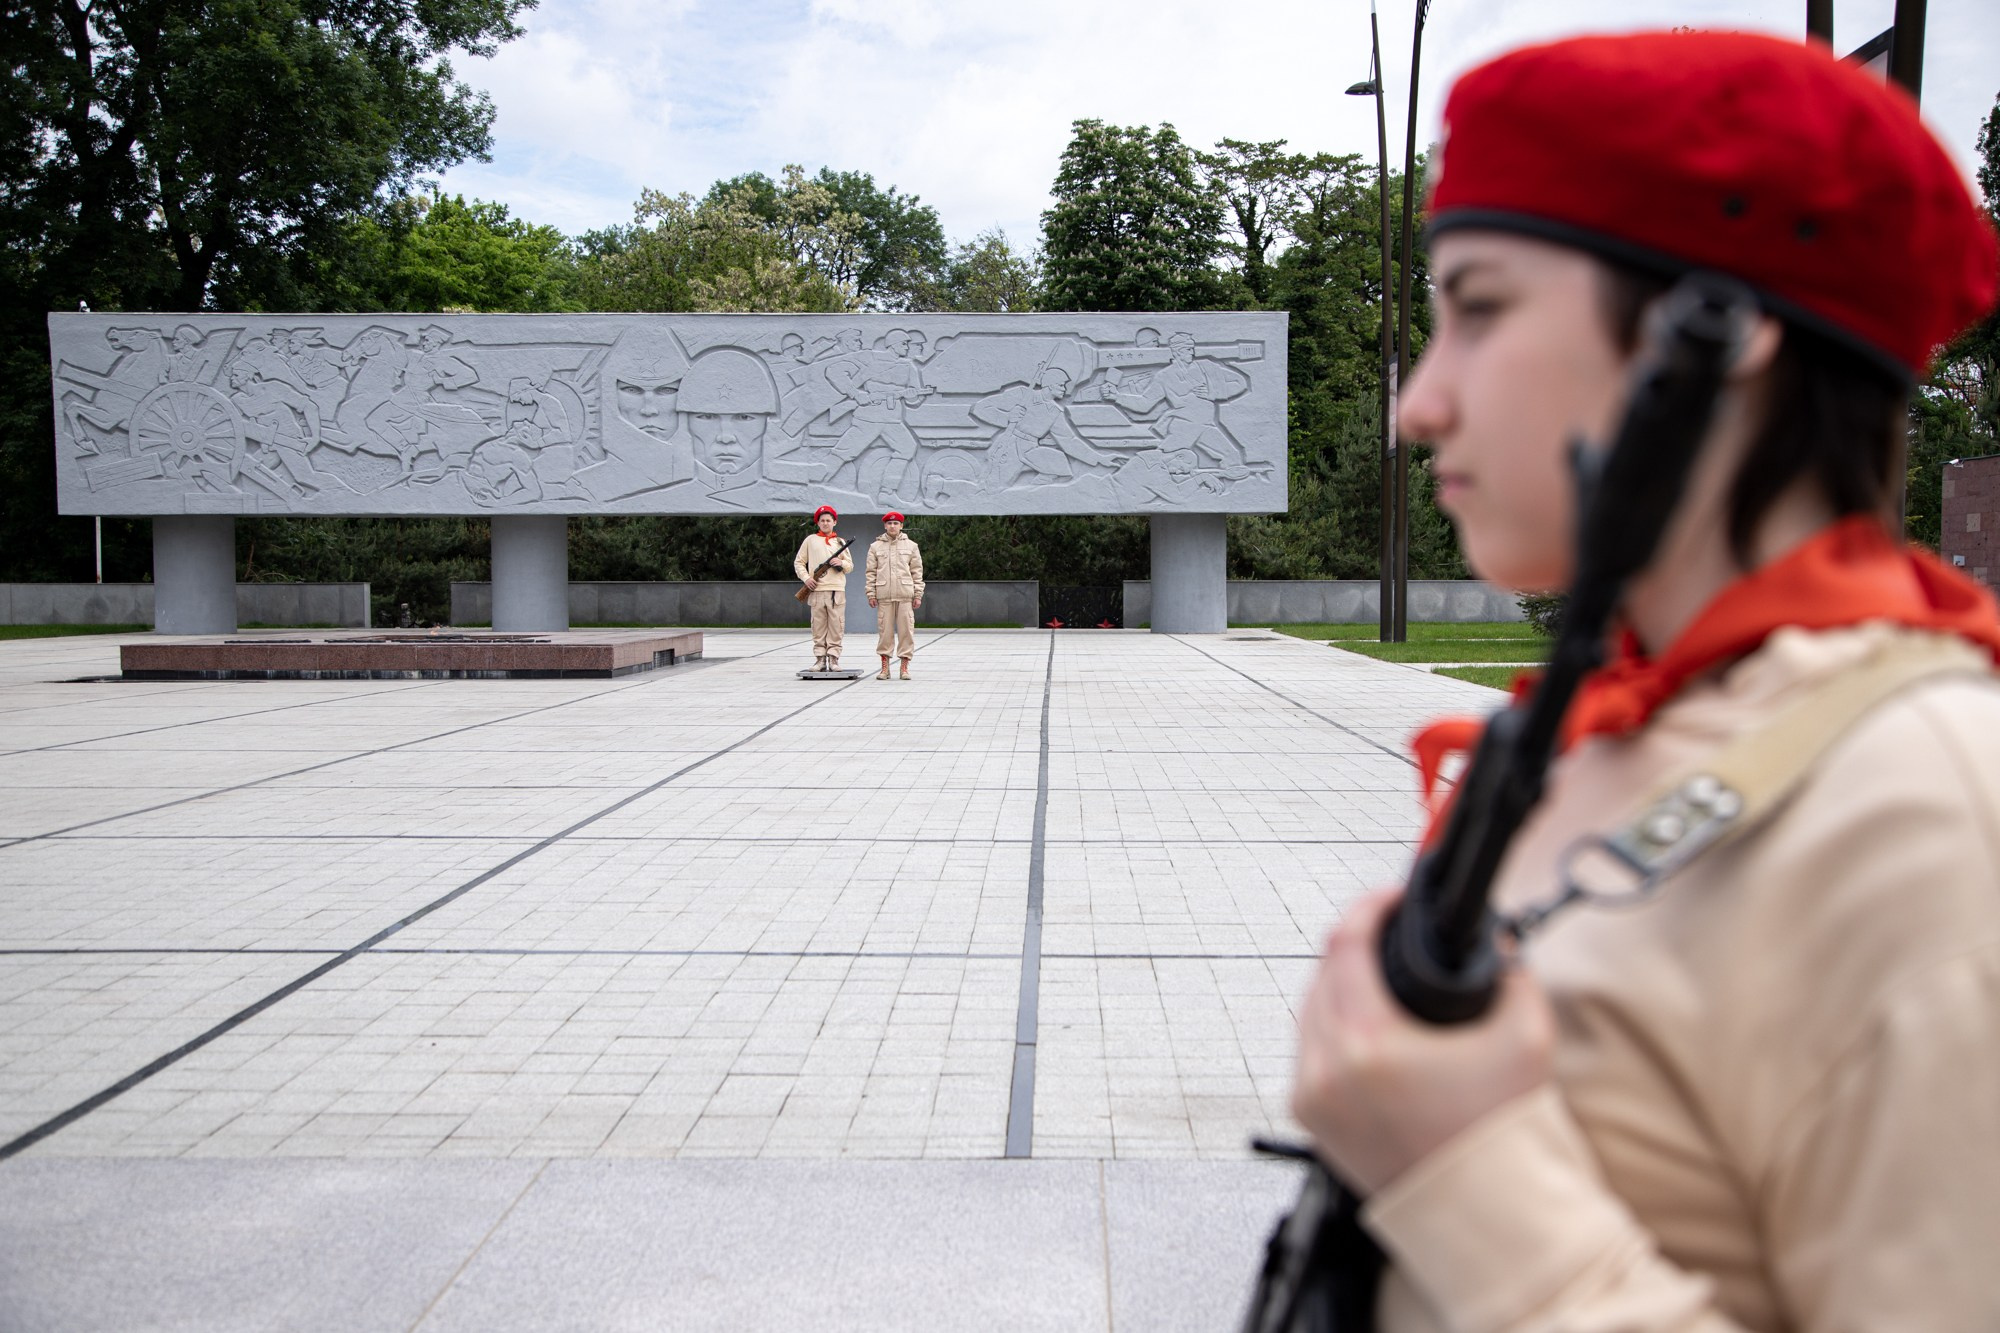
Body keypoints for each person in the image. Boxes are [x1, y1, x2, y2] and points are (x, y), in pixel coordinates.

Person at [1285, 30, 2000, 1333]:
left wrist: (1468, 1174)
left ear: (1712, 335)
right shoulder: (1611, 733)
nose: (1417, 406)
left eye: (1483, 309)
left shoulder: (1931, 807)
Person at [794, 505, 854, 672]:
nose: (825, 523)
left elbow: (850, 566)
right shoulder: (810, 540)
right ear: (818, 523)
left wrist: (840, 563)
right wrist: (806, 579)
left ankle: (834, 659)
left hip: (837, 590)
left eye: (828, 520)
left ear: (834, 522)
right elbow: (799, 562)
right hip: (817, 590)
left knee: (836, 626)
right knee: (818, 626)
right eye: (822, 520)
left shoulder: (840, 542)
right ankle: (820, 659)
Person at [866, 511, 924, 680]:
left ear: (901, 526)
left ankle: (904, 667)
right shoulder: (875, 547)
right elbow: (870, 573)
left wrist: (918, 594)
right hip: (884, 596)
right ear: (885, 526)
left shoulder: (911, 546)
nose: (892, 526)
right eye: (889, 523)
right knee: (885, 633)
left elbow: (917, 572)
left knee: (906, 632)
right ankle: (885, 668)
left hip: (905, 595)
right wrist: (871, 593)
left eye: (896, 523)